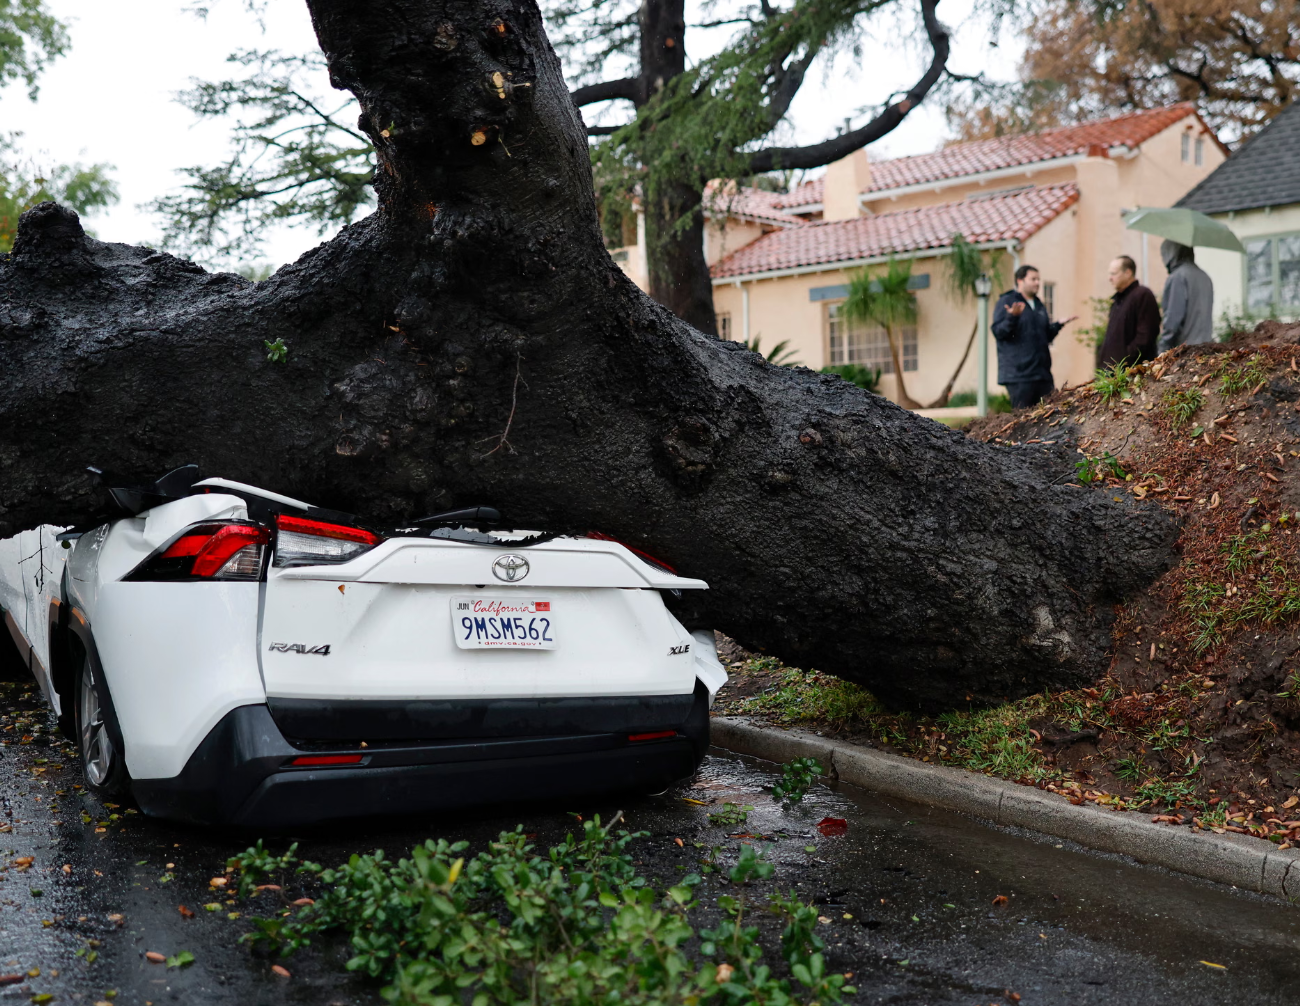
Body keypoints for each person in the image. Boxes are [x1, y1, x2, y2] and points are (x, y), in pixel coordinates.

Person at [991, 265, 1077, 409]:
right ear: (1020, 281)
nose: (1037, 283)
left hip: (1042, 375)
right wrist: (1012, 317)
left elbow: (1045, 337)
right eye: (1033, 279)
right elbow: (999, 332)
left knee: (1050, 415)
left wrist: (1058, 325)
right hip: (1019, 377)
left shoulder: (1039, 305)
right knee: (1024, 422)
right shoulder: (1007, 301)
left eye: (1038, 279)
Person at [1098, 255, 1161, 369]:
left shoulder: (1143, 295)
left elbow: (1145, 337)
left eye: (1113, 273)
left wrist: (1124, 361)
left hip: (1131, 373)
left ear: (1128, 273)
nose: (1109, 278)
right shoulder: (1118, 301)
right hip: (1113, 373)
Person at [1157, 240, 1214, 354]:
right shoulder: (1205, 277)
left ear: (1171, 253)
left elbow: (1173, 320)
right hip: (1206, 349)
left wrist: (1163, 349)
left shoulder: (1178, 277)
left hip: (1185, 351)